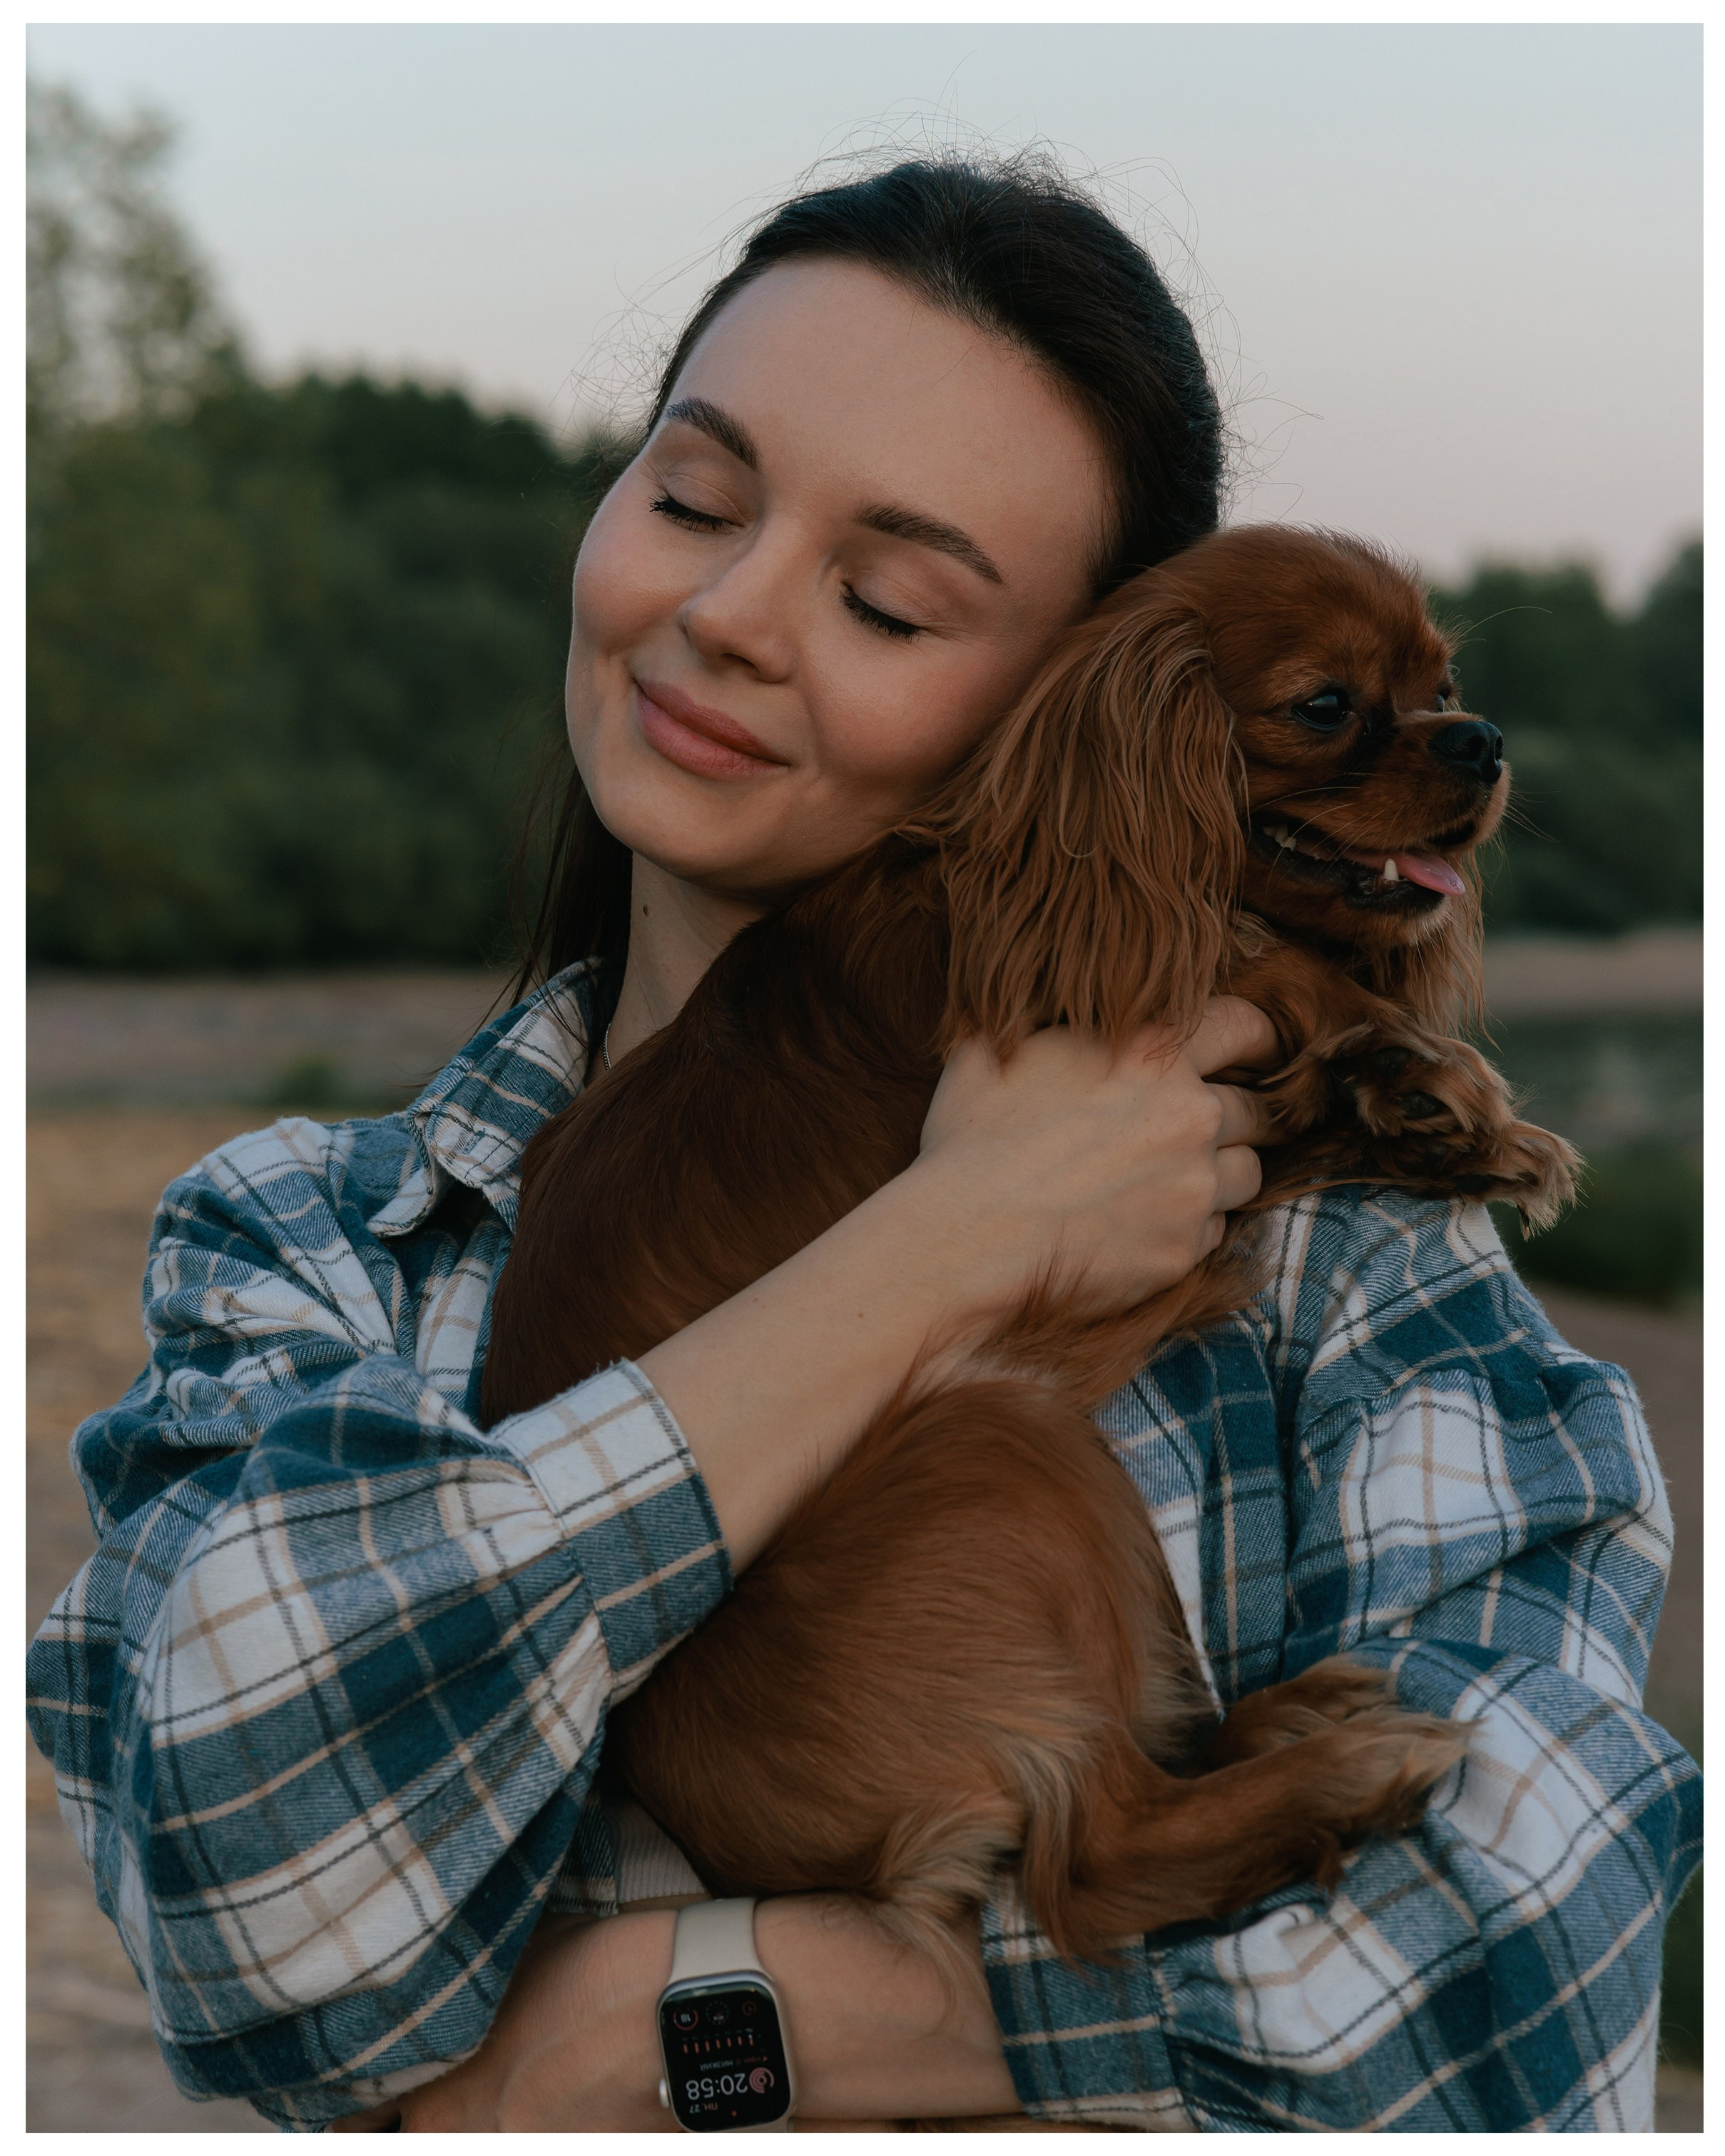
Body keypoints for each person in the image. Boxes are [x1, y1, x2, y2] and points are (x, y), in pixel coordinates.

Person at [26, 155, 1697, 2134]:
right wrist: (948, 1241)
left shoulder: (1346, 1260)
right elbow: (248, 1894)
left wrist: (703, 2025)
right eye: (690, 497)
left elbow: (1536, 1975)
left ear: (1061, 708)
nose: (725, 615)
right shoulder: (319, 1242)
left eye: (889, 598)